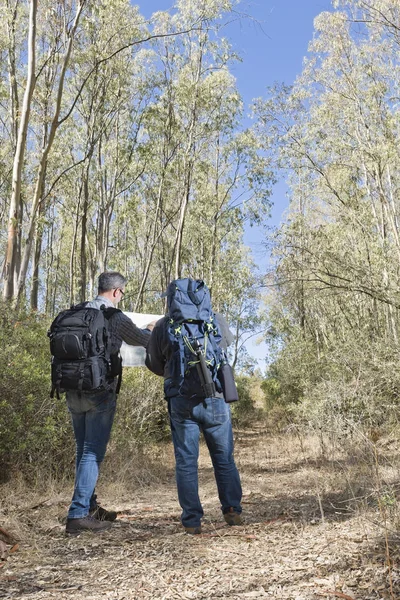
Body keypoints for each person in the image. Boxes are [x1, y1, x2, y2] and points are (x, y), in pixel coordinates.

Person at [145, 279, 242, 535]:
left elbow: (154, 363)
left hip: (181, 399)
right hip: (216, 398)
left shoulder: (164, 326)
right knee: (224, 458)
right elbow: (225, 348)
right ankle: (232, 509)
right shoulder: (215, 320)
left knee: (186, 462)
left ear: (172, 300)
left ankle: (192, 520)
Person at [65, 271, 154, 535]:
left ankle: (90, 506)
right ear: (116, 292)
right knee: (92, 453)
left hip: (72, 389)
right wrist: (152, 330)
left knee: (83, 451)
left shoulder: (78, 312)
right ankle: (78, 514)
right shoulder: (115, 317)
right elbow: (145, 341)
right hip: (100, 391)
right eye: (122, 293)